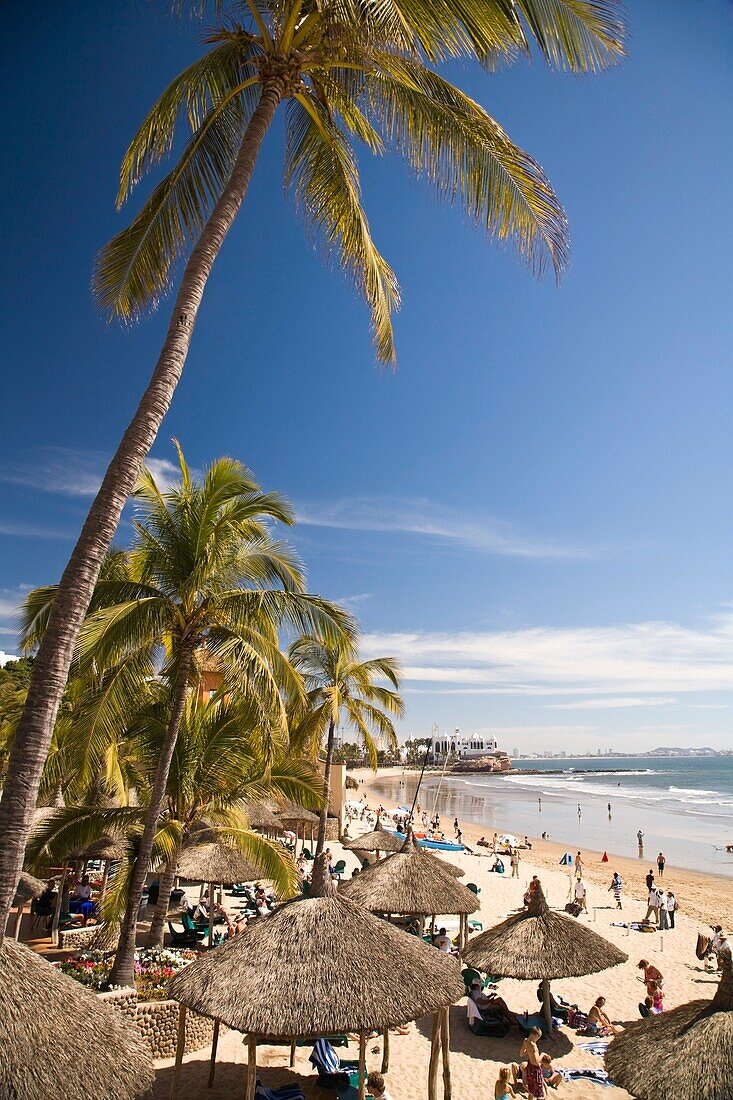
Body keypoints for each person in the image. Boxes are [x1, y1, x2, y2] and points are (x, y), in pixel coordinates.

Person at [517, 1027, 545, 1098]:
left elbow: (521, 1054)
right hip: (535, 1069)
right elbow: (537, 1061)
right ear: (536, 1036)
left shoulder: (525, 1041)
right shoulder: (534, 1046)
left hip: (529, 1067)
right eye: (538, 1037)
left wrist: (529, 1051)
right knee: (538, 1089)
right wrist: (542, 1055)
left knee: (531, 1089)